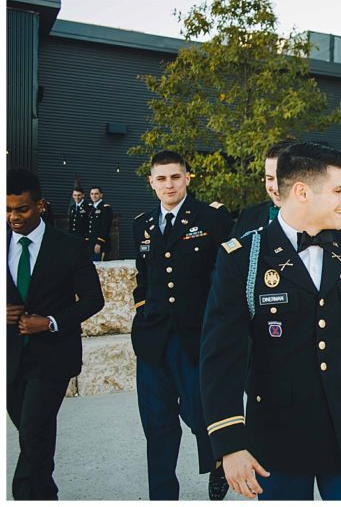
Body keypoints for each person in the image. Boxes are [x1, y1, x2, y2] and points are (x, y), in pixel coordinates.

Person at [200, 142, 341, 500]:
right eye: (339, 189)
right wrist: (230, 444)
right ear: (301, 192)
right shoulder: (243, 257)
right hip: (279, 436)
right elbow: (221, 356)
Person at [132, 150, 233, 500]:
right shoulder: (142, 224)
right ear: (151, 182)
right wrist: (142, 306)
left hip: (196, 337)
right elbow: (143, 277)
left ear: (188, 178)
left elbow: (226, 276)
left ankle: (220, 461)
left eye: (175, 177)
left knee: (201, 414)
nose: (168, 184)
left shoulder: (212, 219)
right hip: (152, 341)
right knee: (157, 424)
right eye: (161, 178)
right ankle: (162, 495)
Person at [7, 167, 104, 500]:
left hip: (52, 358)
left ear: (41, 205)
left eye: (21, 209)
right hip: (10, 359)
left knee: (33, 433)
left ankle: (20, 496)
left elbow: (94, 299)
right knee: (35, 433)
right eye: (7, 209)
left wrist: (49, 321)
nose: (14, 217)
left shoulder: (68, 246)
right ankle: (46, 495)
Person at [232, 139, 294, 238]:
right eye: (270, 178)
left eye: (282, 179)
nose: (275, 187)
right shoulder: (248, 217)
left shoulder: (322, 221)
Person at [86, 185, 113, 261]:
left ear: (101, 195)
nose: (94, 196)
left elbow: (105, 227)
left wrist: (99, 243)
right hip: (91, 245)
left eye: (96, 194)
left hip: (101, 245)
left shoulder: (105, 208)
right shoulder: (90, 208)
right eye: (92, 194)